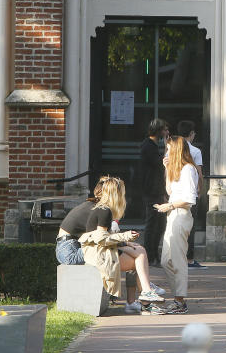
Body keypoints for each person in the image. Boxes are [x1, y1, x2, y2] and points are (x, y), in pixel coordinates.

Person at [78, 177, 165, 314]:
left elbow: (104, 238)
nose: (123, 196)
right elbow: (101, 239)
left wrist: (126, 242)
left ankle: (146, 294)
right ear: (115, 194)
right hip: (99, 254)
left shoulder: (103, 208)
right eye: (121, 193)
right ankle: (146, 296)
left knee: (139, 250)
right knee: (139, 259)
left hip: (100, 249)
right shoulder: (104, 211)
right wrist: (125, 236)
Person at [152, 135, 199, 315]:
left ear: (177, 150)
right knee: (166, 260)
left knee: (177, 259)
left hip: (180, 215)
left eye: (169, 149)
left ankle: (180, 300)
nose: (167, 152)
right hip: (173, 214)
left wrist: (170, 205)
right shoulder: (177, 169)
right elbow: (170, 191)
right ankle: (178, 297)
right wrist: (166, 169)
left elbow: (189, 199)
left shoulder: (188, 169)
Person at [55, 176, 107, 265]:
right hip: (70, 252)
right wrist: (125, 247)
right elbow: (103, 239)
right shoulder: (100, 210)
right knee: (112, 252)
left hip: (64, 249)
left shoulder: (90, 205)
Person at [176, 120, 206, 269]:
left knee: (177, 225)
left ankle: (178, 257)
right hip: (190, 192)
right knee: (190, 226)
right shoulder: (195, 151)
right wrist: (200, 190)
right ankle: (189, 259)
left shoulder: (172, 150)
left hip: (175, 193)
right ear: (191, 134)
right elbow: (199, 174)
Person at [140, 118, 169, 266]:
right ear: (158, 131)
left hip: (155, 190)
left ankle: (153, 254)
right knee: (153, 224)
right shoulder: (149, 146)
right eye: (164, 130)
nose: (166, 133)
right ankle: (150, 255)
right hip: (152, 191)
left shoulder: (151, 145)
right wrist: (166, 149)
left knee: (158, 223)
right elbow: (160, 164)